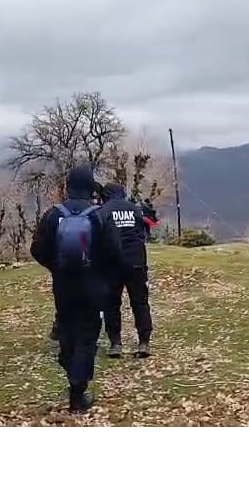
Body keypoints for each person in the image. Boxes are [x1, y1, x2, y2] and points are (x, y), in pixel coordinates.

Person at [30, 166, 124, 412]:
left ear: (68, 186)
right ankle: (78, 390)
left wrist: (56, 266)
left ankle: (70, 366)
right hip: (92, 286)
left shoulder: (53, 215)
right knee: (87, 335)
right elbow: (115, 252)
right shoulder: (99, 215)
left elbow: (37, 250)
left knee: (67, 329)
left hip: (63, 285)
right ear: (90, 187)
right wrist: (101, 273)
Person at [100, 183, 154, 358]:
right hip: (136, 261)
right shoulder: (135, 209)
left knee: (112, 304)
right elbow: (147, 227)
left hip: (111, 264)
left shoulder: (103, 211)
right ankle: (144, 342)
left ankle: (115, 343)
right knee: (140, 302)